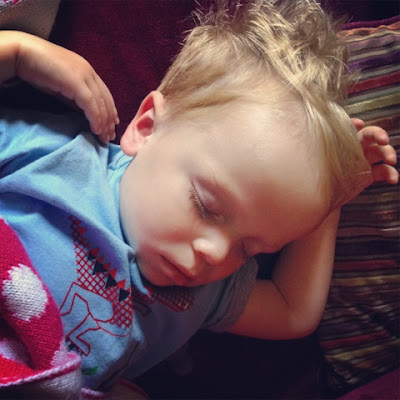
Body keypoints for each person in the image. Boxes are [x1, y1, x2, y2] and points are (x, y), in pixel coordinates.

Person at [0, 0, 398, 393]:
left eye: (249, 250)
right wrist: (18, 53)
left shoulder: (202, 293)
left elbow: (294, 311)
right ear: (147, 127)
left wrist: (332, 204)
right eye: (206, 207)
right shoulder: (58, 155)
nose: (216, 254)